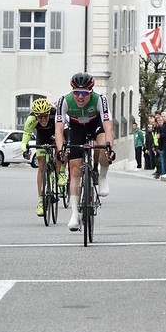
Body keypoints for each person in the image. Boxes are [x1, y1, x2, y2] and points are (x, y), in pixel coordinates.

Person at [54, 72, 115, 231]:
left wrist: (109, 147)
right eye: (77, 93)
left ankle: (102, 178)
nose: (80, 97)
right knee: (74, 170)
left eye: (84, 93)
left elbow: (108, 126)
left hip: (95, 124)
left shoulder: (100, 100)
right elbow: (59, 129)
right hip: (75, 128)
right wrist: (61, 150)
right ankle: (74, 215)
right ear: (72, 91)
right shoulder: (64, 100)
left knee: (103, 149)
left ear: (91, 92)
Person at [21, 98, 65, 216]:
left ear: (48, 113)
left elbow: (62, 131)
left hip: (55, 134)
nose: (43, 119)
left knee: (59, 152)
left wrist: (60, 143)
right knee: (41, 166)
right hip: (41, 137)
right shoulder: (31, 119)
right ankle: (41, 201)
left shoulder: (55, 114)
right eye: (40, 117)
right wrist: (25, 149)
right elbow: (26, 135)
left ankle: (60, 173)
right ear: (35, 116)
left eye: (45, 116)